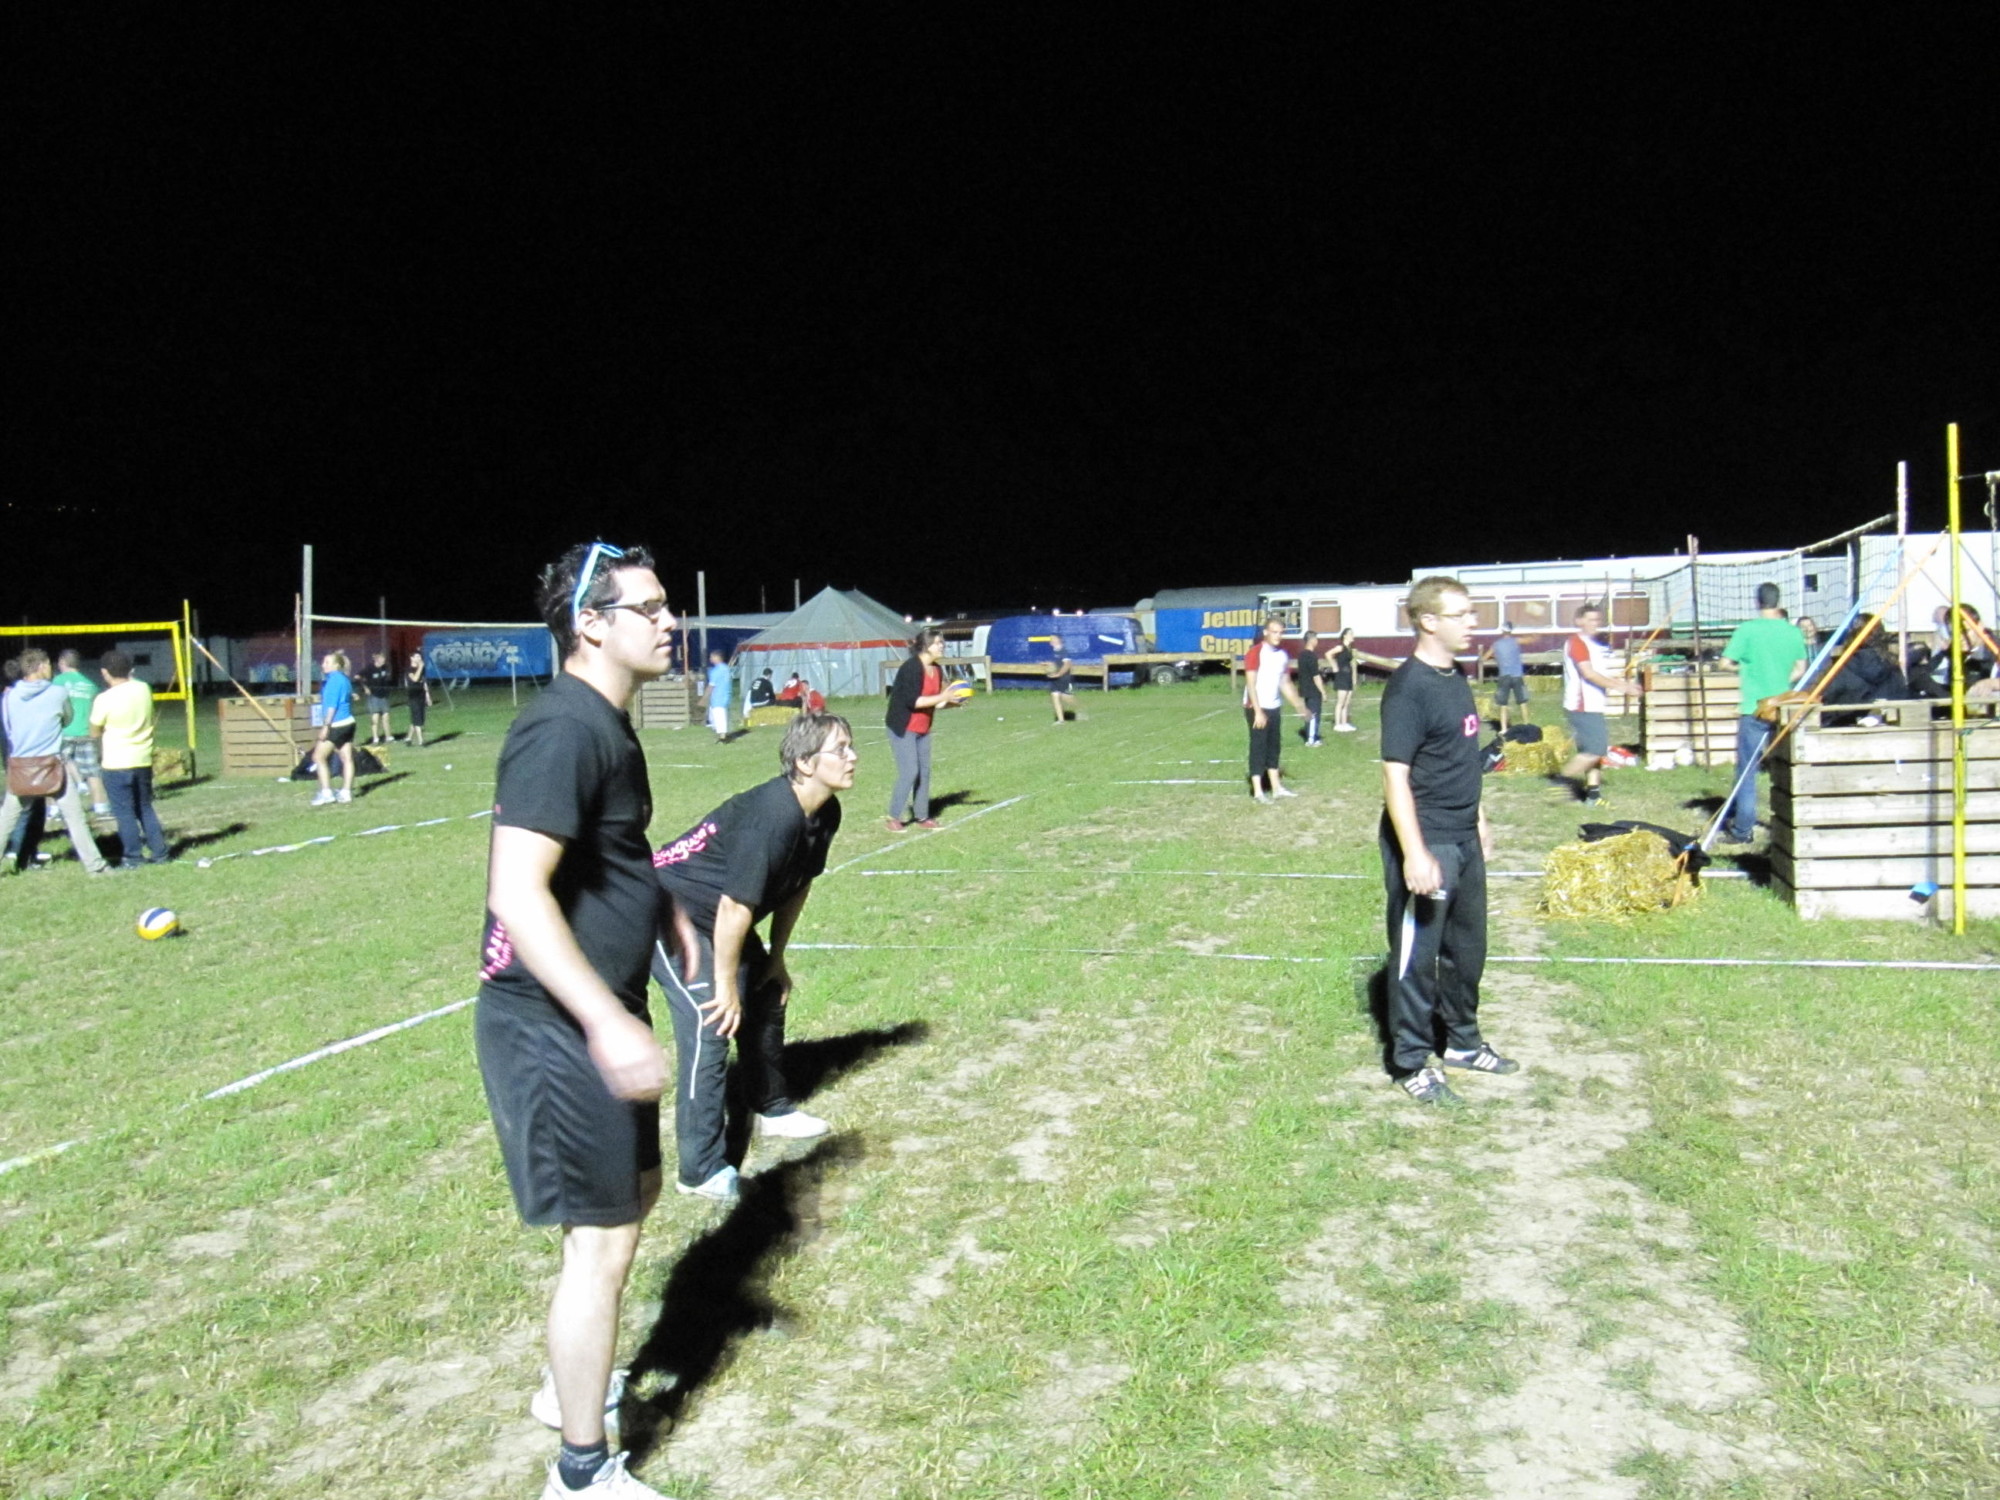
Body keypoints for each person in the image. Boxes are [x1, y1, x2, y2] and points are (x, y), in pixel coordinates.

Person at [474, 541, 679, 1500]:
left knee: (636, 1197)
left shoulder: (609, 722)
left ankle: (572, 1383)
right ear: (590, 624)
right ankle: (581, 1470)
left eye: (668, 605)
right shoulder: (562, 729)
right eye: (650, 608)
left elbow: (611, 854)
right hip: (550, 1020)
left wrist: (668, 916)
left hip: (599, 1010)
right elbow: (517, 892)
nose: (671, 621)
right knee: (600, 1242)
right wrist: (604, 1020)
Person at [650, 712, 853, 1201]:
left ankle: (772, 1107)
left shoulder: (825, 812)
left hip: (718, 916)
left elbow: (797, 885)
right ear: (805, 763)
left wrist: (775, 959)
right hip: (664, 911)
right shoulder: (773, 815)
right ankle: (698, 1170)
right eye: (840, 749)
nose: (852, 757)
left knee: (766, 992)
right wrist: (724, 985)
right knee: (712, 1021)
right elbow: (734, 906)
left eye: (851, 747)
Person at [1379, 576, 1514, 1107]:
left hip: (1463, 835)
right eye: (1462, 615)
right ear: (1429, 621)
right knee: (1418, 957)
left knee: (1467, 949)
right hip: (1428, 837)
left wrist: (1479, 817)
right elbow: (1395, 776)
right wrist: (1414, 852)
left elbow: (1461, 756)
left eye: (1471, 613)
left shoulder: (1455, 676)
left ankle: (1462, 1043)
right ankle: (1411, 1062)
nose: (1472, 623)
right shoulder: (1408, 688)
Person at [0, 649, 112, 876]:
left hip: (21, 766)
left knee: (5, 821)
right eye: (48, 665)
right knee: (75, 819)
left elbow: (8, 728)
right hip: (52, 766)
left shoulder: (10, 696)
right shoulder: (57, 693)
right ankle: (95, 866)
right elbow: (67, 718)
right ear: (41, 666)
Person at [1717, 583, 1807, 844]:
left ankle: (1743, 829)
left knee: (1747, 770)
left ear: (1757, 602)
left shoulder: (1747, 630)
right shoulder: (1792, 632)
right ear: (1779, 602)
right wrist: (1782, 682)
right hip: (1784, 708)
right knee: (1786, 766)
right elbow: (1800, 669)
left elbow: (1724, 663)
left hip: (1755, 709)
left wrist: (1745, 669)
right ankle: (1792, 824)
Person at [90, 650, 172, 867]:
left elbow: (94, 731)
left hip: (116, 762)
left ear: (105, 673)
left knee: (124, 813)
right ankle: (160, 852)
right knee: (145, 807)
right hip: (142, 759)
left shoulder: (104, 699)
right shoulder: (143, 689)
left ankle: (133, 857)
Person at [1558, 603, 1643, 805]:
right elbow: (1588, 674)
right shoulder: (1577, 643)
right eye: (1590, 620)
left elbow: (1599, 673)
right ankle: (1558, 784)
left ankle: (1593, 796)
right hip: (1582, 706)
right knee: (1596, 751)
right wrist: (1622, 687)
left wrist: (1621, 683)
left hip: (1592, 705)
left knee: (1590, 752)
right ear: (1579, 621)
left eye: (1597, 620)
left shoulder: (1593, 644)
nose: (1595, 624)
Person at [885, 627, 959, 830]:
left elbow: (936, 703)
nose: (942, 646)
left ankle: (922, 816)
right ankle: (893, 817)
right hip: (903, 727)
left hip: (923, 728)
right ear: (926, 646)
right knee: (910, 771)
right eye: (938, 643)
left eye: (942, 642)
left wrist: (951, 702)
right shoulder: (911, 668)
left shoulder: (936, 669)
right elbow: (914, 701)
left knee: (924, 772)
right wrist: (943, 696)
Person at [1242, 617, 1306, 802]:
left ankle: (1277, 788)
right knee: (1258, 747)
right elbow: (1251, 683)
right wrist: (1258, 711)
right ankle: (1258, 791)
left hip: (1274, 706)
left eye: (1280, 632)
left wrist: (1299, 705)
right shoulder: (1255, 652)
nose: (1278, 636)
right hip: (1256, 706)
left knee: (1274, 747)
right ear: (1266, 632)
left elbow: (1285, 683)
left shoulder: (1282, 655)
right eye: (1274, 632)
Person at [52, 649, 110, 816]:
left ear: (62, 662)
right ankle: (100, 806)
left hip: (64, 732)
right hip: (86, 733)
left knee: (55, 771)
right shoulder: (90, 685)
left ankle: (54, 809)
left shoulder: (57, 682)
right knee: (93, 771)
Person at [310, 651, 358, 806]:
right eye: (323, 662)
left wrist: (326, 727)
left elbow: (332, 706)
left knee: (318, 757)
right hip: (349, 722)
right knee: (346, 758)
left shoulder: (334, 681)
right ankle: (346, 792)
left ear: (336, 665)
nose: (323, 665)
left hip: (336, 724)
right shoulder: (344, 679)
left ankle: (326, 793)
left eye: (327, 663)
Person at [1481, 622, 1530, 734]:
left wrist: (1495, 656)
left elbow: (1484, 658)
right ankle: (1527, 725)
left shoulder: (1496, 644)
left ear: (1502, 631)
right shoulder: (1516, 641)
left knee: (1503, 704)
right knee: (1522, 702)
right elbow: (1527, 640)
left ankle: (1504, 729)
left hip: (1504, 676)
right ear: (1511, 631)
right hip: (1517, 675)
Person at [1295, 632, 1325, 746]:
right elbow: (1316, 676)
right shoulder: (1311, 656)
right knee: (1314, 714)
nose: (1317, 641)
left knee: (1309, 713)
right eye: (1316, 639)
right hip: (1313, 689)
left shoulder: (1301, 655)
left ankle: (1312, 736)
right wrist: (1323, 691)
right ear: (1311, 640)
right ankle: (1311, 739)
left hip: (1304, 688)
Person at [1328, 627, 1360, 732]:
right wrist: (1334, 666)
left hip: (1348, 676)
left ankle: (1344, 723)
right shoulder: (1340, 647)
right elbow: (1328, 654)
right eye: (1350, 634)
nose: (1352, 636)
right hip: (1341, 676)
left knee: (1347, 702)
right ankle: (1337, 724)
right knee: (1340, 702)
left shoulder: (1349, 649)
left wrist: (1354, 679)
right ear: (1345, 636)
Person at [363, 652, 395, 744]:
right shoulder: (369, 668)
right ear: (377, 660)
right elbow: (359, 677)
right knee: (375, 718)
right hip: (374, 696)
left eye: (384, 659)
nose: (384, 661)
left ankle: (388, 737)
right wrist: (365, 688)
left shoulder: (385, 668)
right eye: (382, 659)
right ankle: (375, 738)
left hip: (384, 696)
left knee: (386, 717)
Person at [703, 648, 734, 742]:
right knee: (718, 717)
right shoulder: (726, 668)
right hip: (726, 695)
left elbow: (711, 685)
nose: (710, 659)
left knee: (719, 718)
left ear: (717, 657)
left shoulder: (716, 671)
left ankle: (723, 738)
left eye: (712, 657)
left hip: (718, 697)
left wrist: (704, 698)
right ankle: (722, 735)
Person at [404, 649, 430, 749]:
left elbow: (424, 682)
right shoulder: (409, 670)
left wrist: (427, 695)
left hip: (421, 696)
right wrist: (420, 667)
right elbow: (414, 679)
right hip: (413, 697)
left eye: (420, 657)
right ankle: (421, 741)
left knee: (417, 719)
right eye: (417, 657)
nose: (419, 658)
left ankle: (408, 738)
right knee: (418, 719)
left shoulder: (421, 669)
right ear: (412, 658)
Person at [1048, 654, 1081, 724]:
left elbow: (1068, 664)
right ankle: (1061, 720)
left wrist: (1059, 674)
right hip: (1057, 679)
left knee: (1067, 697)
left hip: (1065, 679)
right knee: (1055, 695)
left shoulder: (1064, 651)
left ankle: (1081, 711)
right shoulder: (1054, 652)